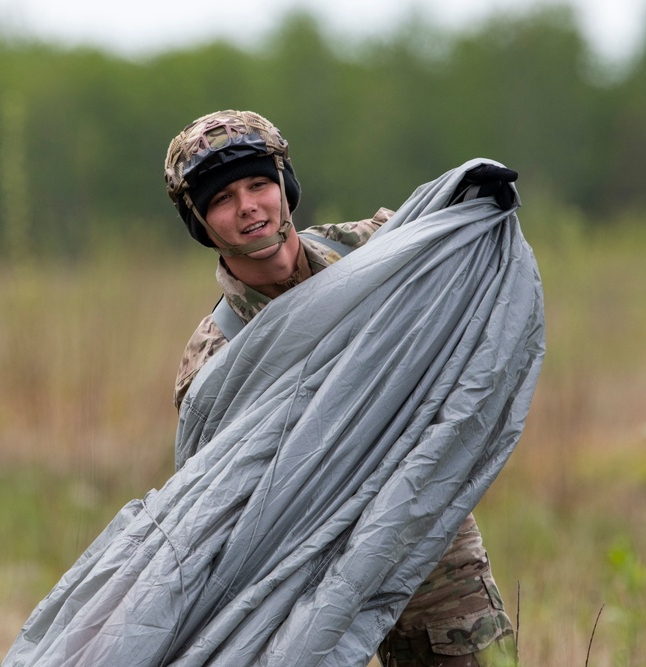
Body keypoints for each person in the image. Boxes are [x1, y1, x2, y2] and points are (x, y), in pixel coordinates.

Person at [164, 109, 518, 667]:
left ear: (286, 186)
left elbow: (440, 229)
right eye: (222, 199)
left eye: (259, 184)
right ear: (201, 224)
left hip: (425, 539)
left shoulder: (368, 252)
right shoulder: (214, 366)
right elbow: (216, 515)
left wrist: (474, 197)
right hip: (302, 585)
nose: (249, 206)